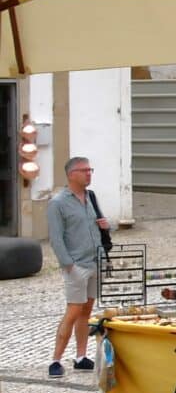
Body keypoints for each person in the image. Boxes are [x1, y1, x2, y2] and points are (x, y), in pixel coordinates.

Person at [46, 155, 110, 377]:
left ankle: (81, 356)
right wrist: (68, 264)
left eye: (90, 170)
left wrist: (106, 227)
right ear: (72, 174)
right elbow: (56, 238)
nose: (89, 174)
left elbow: (97, 227)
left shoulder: (90, 197)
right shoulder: (57, 203)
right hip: (76, 265)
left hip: (95, 261)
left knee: (86, 311)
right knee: (73, 310)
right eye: (84, 170)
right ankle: (55, 360)